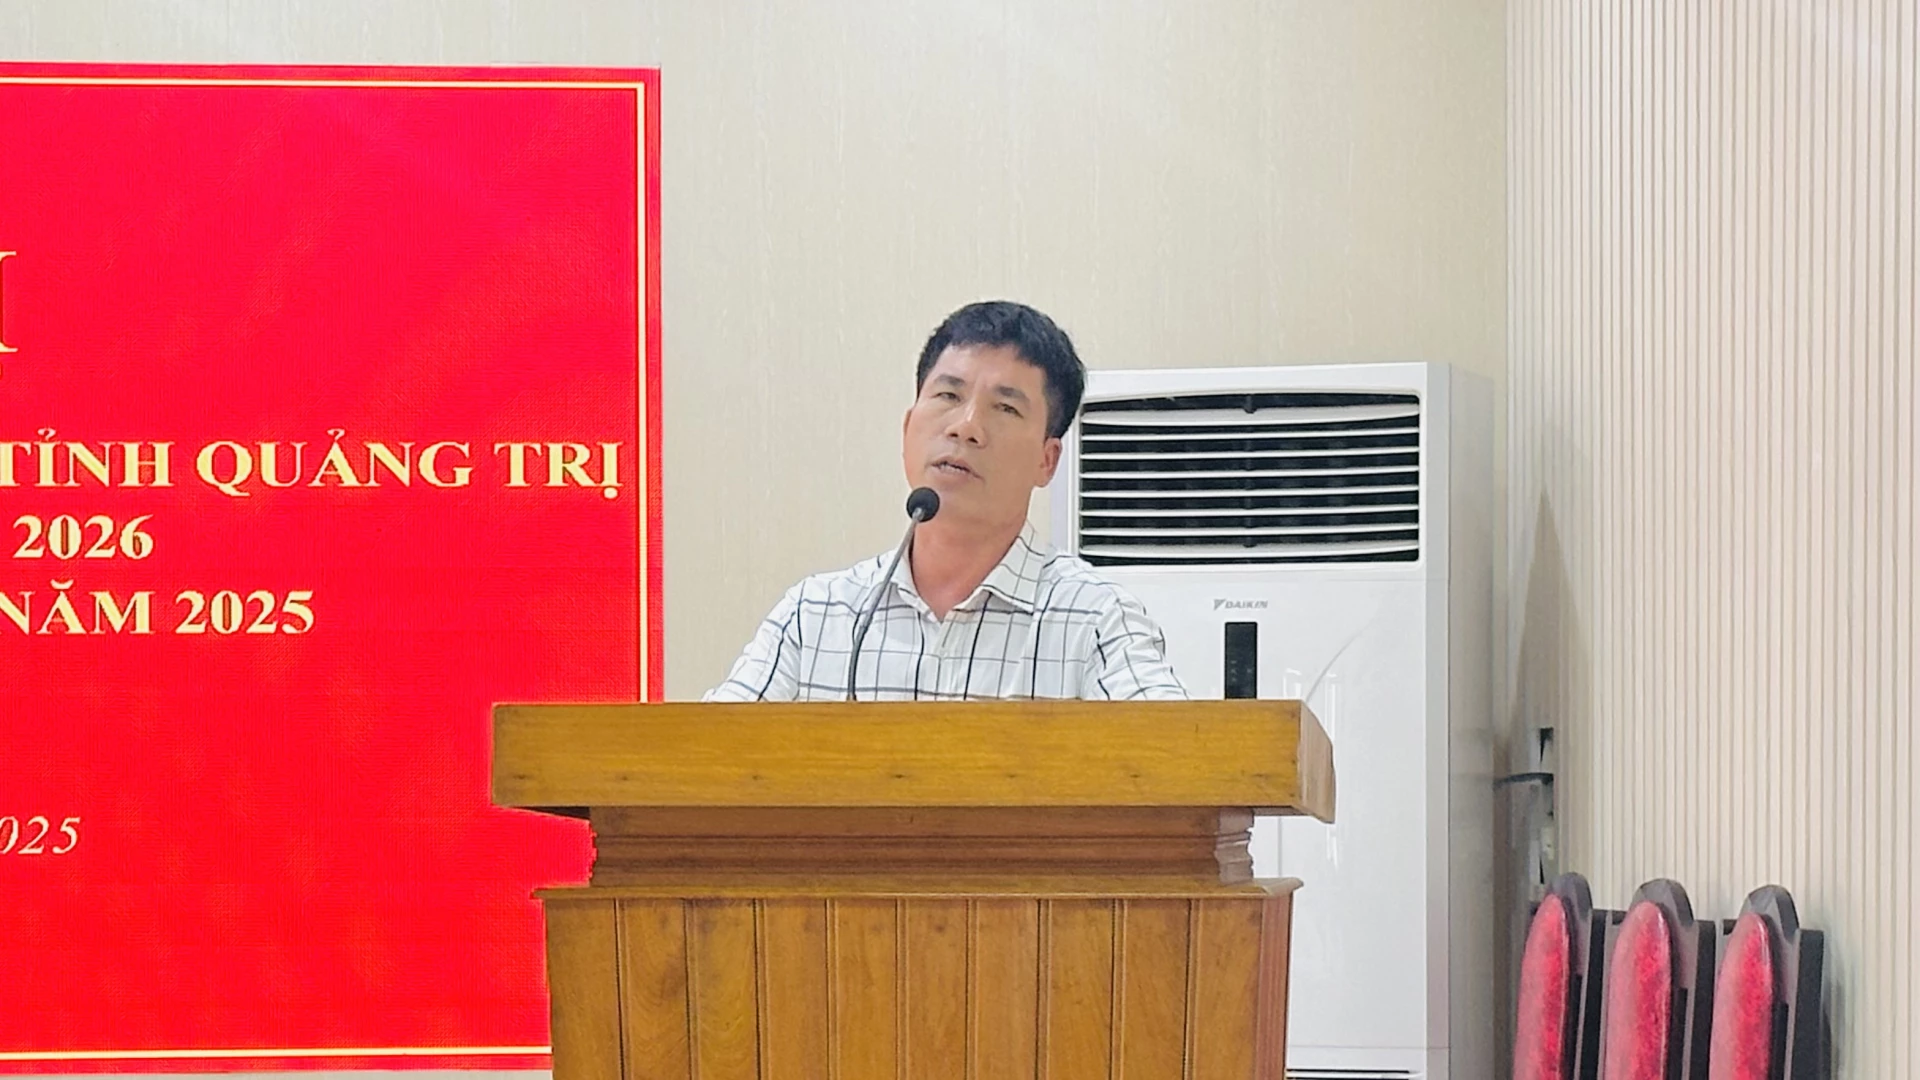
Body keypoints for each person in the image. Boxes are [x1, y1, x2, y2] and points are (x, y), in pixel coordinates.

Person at [705, 300, 1187, 702]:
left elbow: (1180, 763)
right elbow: (706, 760)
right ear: (907, 429)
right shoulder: (815, 616)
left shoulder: (1096, 620)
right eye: (948, 396)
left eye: (1005, 407)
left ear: (1047, 461)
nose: (966, 426)